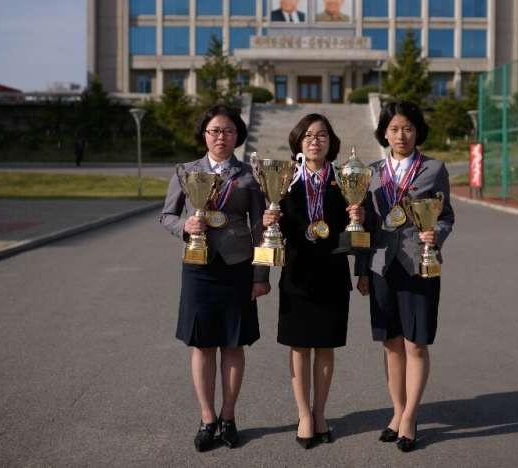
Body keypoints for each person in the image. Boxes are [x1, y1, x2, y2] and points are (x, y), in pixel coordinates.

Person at [160, 104, 271, 452]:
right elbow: (166, 216)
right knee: (203, 344)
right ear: (204, 134)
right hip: (199, 268)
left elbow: (261, 228)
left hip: (238, 267)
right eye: (214, 130)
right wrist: (185, 225)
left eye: (228, 131)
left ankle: (228, 417)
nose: (221, 137)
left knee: (233, 344)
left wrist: (261, 274)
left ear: (238, 136)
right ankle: (207, 418)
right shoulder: (185, 171)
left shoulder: (251, 175)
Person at [356, 101, 455, 453]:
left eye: (408, 128)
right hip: (381, 266)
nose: (402, 135)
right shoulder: (371, 173)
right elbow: (365, 227)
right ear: (384, 132)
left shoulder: (434, 168)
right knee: (391, 343)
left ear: (417, 132)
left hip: (419, 264)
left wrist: (436, 233)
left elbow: (446, 215)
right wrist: (361, 271)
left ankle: (410, 416)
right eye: (395, 129)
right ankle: (397, 411)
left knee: (416, 343)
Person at [262, 113, 365, 449]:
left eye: (321, 135)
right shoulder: (285, 179)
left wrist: (363, 264)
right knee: (299, 346)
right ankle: (303, 414)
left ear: (331, 142)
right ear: (298, 141)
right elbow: (271, 233)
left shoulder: (346, 178)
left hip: (332, 273)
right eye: (308, 135)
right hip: (296, 274)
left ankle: (320, 412)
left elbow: (360, 232)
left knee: (325, 346)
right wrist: (269, 220)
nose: (315, 141)